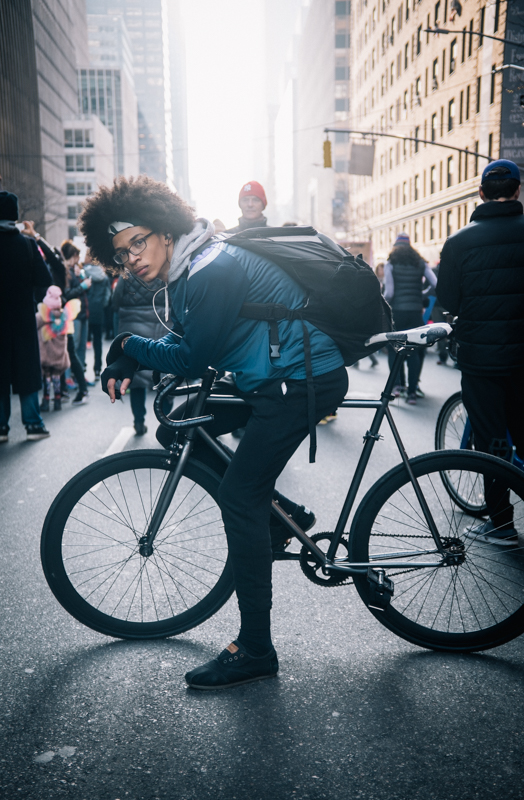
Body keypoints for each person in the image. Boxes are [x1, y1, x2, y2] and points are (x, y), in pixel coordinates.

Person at [79, 175, 347, 690]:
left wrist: (130, 345)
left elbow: (194, 355)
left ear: (164, 231)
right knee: (178, 429)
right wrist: (130, 352)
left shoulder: (209, 269)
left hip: (296, 380)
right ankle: (284, 516)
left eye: (138, 241)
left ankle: (255, 649)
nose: (132, 257)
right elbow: (198, 340)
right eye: (121, 252)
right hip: (268, 376)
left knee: (239, 497)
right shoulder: (191, 266)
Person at [437, 158, 524, 546]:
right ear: (518, 191)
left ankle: (501, 524)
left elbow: (447, 299)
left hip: (482, 358)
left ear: (481, 193)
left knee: (492, 442)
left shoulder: (459, 242)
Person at [0, 190, 52, 442]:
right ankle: (32, 425)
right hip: (22, 318)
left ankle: (1, 427)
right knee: (27, 371)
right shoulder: (28, 246)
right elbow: (45, 280)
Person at [20, 221, 89, 405]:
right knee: (48, 358)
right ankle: (59, 392)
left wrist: (36, 236)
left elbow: (51, 256)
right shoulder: (37, 272)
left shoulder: (56, 270)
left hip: (59, 317)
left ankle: (80, 389)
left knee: (68, 353)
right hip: (44, 317)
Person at [112, 273, 169, 436]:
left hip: (132, 327)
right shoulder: (162, 269)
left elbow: (115, 301)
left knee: (136, 377)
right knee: (166, 376)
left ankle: (139, 420)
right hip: (161, 326)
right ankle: (167, 422)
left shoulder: (127, 273)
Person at [383, 233, 437, 404]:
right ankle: (412, 392)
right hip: (415, 313)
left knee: (394, 350)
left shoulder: (390, 264)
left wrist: (383, 302)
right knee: (414, 351)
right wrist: (420, 294)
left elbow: (389, 293)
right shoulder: (420, 263)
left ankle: (398, 386)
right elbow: (435, 284)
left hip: (396, 313)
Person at [36, 286, 80, 411]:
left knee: (47, 376)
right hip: (59, 354)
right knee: (56, 375)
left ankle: (45, 400)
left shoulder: (42, 316)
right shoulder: (63, 317)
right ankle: (57, 399)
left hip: (46, 353)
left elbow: (33, 324)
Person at [61, 240, 91, 373]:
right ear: (72, 255)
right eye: (77, 256)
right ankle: (69, 377)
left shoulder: (75, 270)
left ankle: (79, 375)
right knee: (73, 346)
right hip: (74, 315)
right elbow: (67, 294)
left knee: (81, 347)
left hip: (83, 313)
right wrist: (81, 286)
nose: (78, 259)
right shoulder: (66, 272)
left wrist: (82, 277)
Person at [85, 251, 111, 378]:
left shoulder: (84, 273)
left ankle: (82, 368)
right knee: (97, 341)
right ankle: (97, 368)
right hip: (98, 310)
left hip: (85, 310)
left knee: (82, 341)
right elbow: (107, 295)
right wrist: (102, 305)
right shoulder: (104, 276)